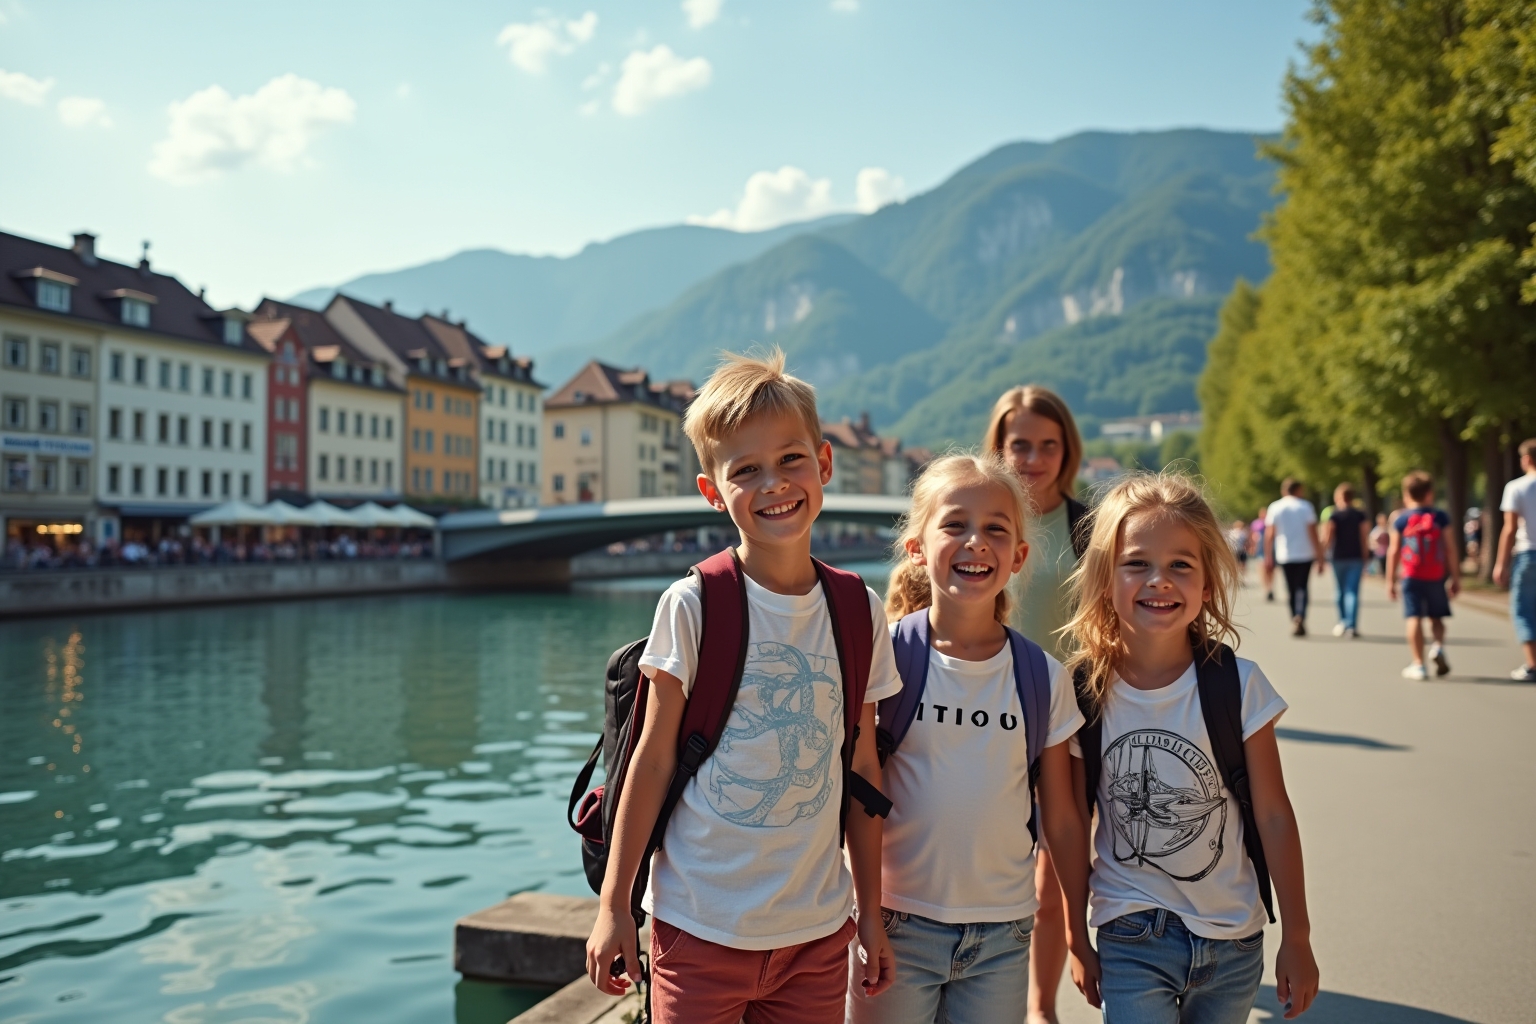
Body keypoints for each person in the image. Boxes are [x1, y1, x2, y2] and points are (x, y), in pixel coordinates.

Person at [584, 349, 901, 1023]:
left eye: (790, 459)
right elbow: (651, 759)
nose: (774, 483)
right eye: (746, 470)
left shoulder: (858, 610)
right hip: (698, 927)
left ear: (824, 463)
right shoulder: (693, 604)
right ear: (712, 491)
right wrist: (615, 907)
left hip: (816, 933)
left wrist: (870, 913)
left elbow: (863, 769)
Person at [1064, 472, 1320, 1023]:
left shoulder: (1239, 685)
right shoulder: (1081, 691)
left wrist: (1297, 936)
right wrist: (1074, 934)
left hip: (1234, 940)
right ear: (1104, 579)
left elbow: (1274, 815)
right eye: (1137, 563)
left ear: (1207, 586)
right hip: (1130, 930)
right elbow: (1069, 822)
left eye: (1181, 565)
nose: (1159, 580)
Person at [849, 453, 1096, 1023]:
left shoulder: (1043, 678)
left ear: (1019, 557)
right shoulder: (883, 658)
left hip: (1003, 936)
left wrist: (1077, 930)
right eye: (955, 525)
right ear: (917, 547)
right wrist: (865, 914)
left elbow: (1062, 819)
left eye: (995, 529)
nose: (976, 542)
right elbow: (861, 793)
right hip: (896, 923)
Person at [982, 384, 1088, 1024]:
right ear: (997, 446)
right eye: (1020, 444)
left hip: (1065, 725)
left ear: (1066, 450)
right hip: (982, 718)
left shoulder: (1089, 526)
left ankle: (1040, 1008)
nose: (1034, 458)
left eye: (1049, 445)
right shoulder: (978, 516)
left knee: (1051, 882)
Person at [1387, 471, 1461, 681]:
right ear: (1430, 494)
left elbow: (1394, 551)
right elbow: (1450, 548)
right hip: (1436, 574)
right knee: (1437, 617)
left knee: (1414, 617)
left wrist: (1390, 580)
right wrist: (1455, 577)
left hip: (1411, 575)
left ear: (1406, 494)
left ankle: (1418, 664)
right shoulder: (1440, 517)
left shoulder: (1401, 519)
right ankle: (1438, 647)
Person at [1493, 438, 1536, 682]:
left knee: (1524, 610)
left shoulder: (1517, 487)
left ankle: (1533, 664)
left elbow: (1509, 529)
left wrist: (1501, 563)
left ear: (1527, 459)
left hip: (1528, 553)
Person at [1265, 480, 1323, 637]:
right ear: (1298, 490)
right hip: (1305, 553)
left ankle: (1294, 617)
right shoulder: (1305, 506)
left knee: (1290, 588)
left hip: (1285, 554)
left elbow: (1270, 534)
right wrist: (1320, 556)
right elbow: (1313, 532)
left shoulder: (1275, 507)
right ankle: (1300, 615)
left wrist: (1268, 555)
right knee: (1302, 587)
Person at [1320, 483, 1369, 638]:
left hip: (1338, 557)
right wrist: (1365, 555)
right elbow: (1364, 537)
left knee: (1340, 591)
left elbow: (1328, 538)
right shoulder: (1360, 515)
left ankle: (1342, 621)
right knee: (1352, 591)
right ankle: (1351, 625)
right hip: (1355, 556)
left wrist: (1321, 555)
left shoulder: (1334, 515)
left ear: (1338, 497)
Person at [1250, 510, 1273, 600]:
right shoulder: (1256, 523)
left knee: (1270, 569)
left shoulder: (1270, 523)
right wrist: (1252, 546)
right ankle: (1266, 588)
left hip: (1270, 548)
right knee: (1262, 567)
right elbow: (1252, 535)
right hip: (1260, 549)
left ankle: (1270, 586)